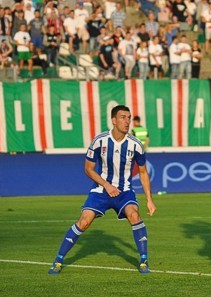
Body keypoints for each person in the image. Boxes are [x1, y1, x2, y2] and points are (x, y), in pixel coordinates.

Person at [48, 105, 156, 275]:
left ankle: (143, 261)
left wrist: (149, 199)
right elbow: (88, 169)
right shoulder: (99, 141)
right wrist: (106, 185)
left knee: (134, 215)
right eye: (122, 117)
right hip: (101, 190)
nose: (127, 121)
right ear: (113, 120)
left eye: (129, 117)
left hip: (124, 191)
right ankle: (58, 260)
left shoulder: (136, 144)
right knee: (84, 221)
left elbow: (142, 172)